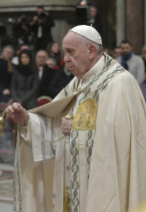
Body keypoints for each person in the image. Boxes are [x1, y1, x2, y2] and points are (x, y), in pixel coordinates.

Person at [8, 25, 146, 212]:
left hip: (104, 188)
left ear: (90, 51)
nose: (65, 59)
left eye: (70, 52)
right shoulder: (79, 82)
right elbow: (55, 120)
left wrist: (77, 129)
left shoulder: (119, 83)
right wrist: (26, 119)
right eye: (64, 52)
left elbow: (120, 145)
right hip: (74, 187)